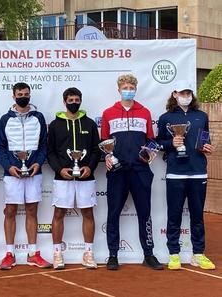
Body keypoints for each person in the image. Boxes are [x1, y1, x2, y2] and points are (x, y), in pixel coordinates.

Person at [100, 74, 163, 270]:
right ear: (118, 90)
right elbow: (103, 142)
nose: (128, 89)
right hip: (117, 171)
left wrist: (150, 153)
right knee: (113, 213)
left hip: (140, 170)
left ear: (135, 89)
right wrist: (108, 157)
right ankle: (112, 255)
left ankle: (149, 254)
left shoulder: (144, 112)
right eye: (125, 86)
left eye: (131, 86)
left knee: (145, 213)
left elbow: (151, 140)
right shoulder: (108, 113)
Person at [156, 81, 216, 270]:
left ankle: (198, 254)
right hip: (175, 173)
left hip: (198, 172)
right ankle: (174, 254)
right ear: (175, 94)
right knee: (174, 215)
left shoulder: (201, 116)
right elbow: (157, 144)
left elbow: (205, 139)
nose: (186, 95)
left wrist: (208, 147)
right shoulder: (165, 118)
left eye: (189, 92)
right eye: (183, 92)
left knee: (197, 216)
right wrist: (170, 143)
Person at [0, 82, 51, 270]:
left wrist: (38, 162)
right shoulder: (5, 119)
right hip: (12, 174)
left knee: (31, 211)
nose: (23, 96)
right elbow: (0, 147)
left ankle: (33, 253)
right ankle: (9, 254)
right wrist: (9, 166)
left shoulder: (38, 117)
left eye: (26, 94)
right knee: (10, 211)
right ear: (13, 96)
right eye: (20, 94)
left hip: (34, 172)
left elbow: (44, 144)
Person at [47, 87, 101, 270]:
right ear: (64, 102)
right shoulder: (55, 125)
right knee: (59, 214)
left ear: (81, 100)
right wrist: (59, 169)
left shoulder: (90, 124)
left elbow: (96, 149)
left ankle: (88, 253)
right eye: (70, 100)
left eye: (77, 99)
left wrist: (89, 166)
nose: (74, 103)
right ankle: (57, 253)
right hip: (62, 177)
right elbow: (50, 152)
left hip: (86, 176)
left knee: (88, 213)